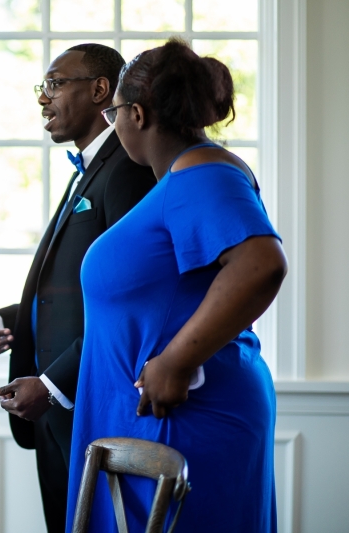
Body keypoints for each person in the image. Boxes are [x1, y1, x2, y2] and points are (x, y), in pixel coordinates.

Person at [65, 39, 287, 532]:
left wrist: (176, 361)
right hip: (153, 421)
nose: (113, 125)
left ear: (137, 114)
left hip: (182, 419)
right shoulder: (179, 180)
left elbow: (260, 263)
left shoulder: (202, 173)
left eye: (112, 115)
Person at [0, 44, 156, 532]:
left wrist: (53, 385)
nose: (42, 99)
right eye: (44, 87)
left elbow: (128, 297)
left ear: (100, 90)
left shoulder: (128, 168)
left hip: (88, 396)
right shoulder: (89, 168)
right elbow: (78, 289)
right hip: (55, 404)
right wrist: (13, 322)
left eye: (55, 84)